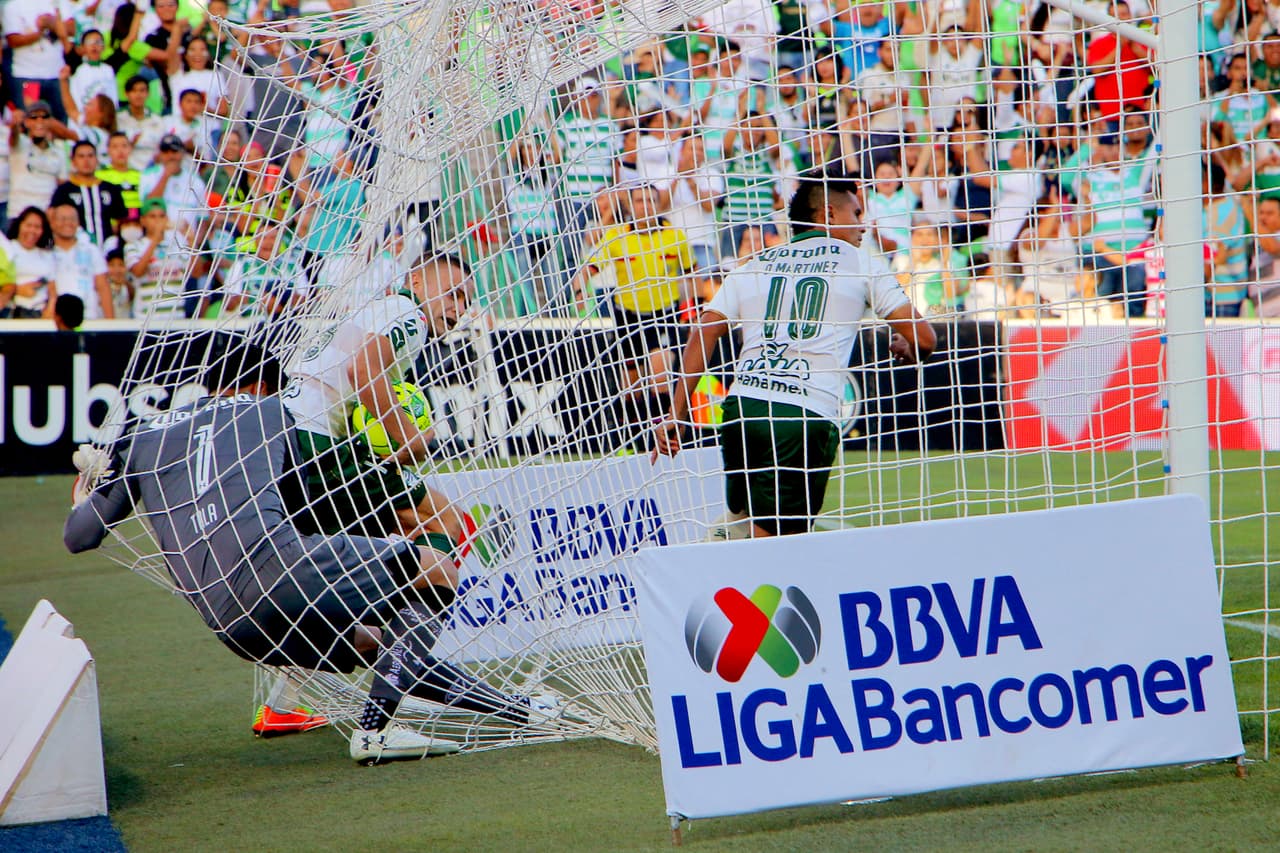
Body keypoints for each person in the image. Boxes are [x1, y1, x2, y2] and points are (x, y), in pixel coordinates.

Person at [63, 337, 465, 763]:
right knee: (432, 572)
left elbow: (78, 537)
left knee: (379, 643)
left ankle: (516, 710)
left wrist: (87, 489)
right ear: (262, 387)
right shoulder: (271, 413)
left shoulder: (140, 435)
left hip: (226, 622)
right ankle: (376, 730)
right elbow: (310, 496)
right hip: (281, 572)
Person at [653, 169, 936, 537]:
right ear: (829, 215)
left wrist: (676, 414)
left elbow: (703, 331)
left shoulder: (755, 264)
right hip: (802, 414)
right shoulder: (862, 263)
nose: (863, 226)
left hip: (743, 412)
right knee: (779, 543)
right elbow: (926, 339)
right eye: (857, 214)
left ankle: (722, 571)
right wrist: (907, 343)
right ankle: (717, 584)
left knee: (745, 520)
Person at [52, 140, 128, 246]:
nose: (86, 161)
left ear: (97, 159)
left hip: (108, 249)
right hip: (77, 250)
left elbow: (122, 219)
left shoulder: (111, 189)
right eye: (81, 156)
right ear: (73, 161)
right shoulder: (64, 190)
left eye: (90, 156)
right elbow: (53, 218)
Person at [49, 202, 113, 320]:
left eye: (72, 219)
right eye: (62, 219)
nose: (68, 223)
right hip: (57, 320)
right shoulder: (46, 253)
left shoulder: (91, 250)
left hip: (89, 317)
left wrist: (110, 322)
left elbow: (103, 286)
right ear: (52, 223)